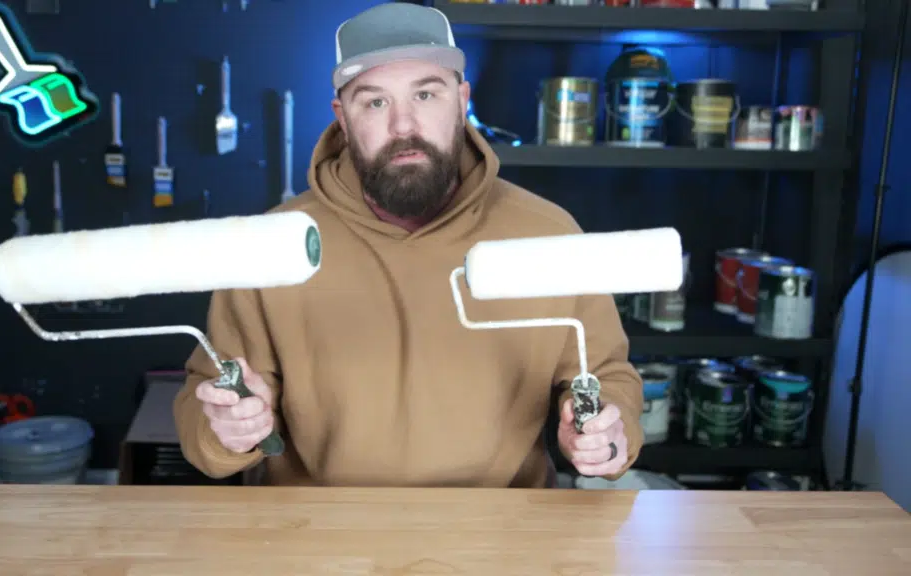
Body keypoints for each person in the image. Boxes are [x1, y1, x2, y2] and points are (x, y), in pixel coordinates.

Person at [174, 3, 643, 488]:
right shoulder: (272, 248)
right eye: (374, 102)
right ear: (342, 117)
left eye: (425, 94)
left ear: (461, 100)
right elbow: (201, 412)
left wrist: (606, 432)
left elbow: (607, 373)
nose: (403, 125)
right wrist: (226, 429)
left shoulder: (548, 234)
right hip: (321, 539)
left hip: (497, 535)